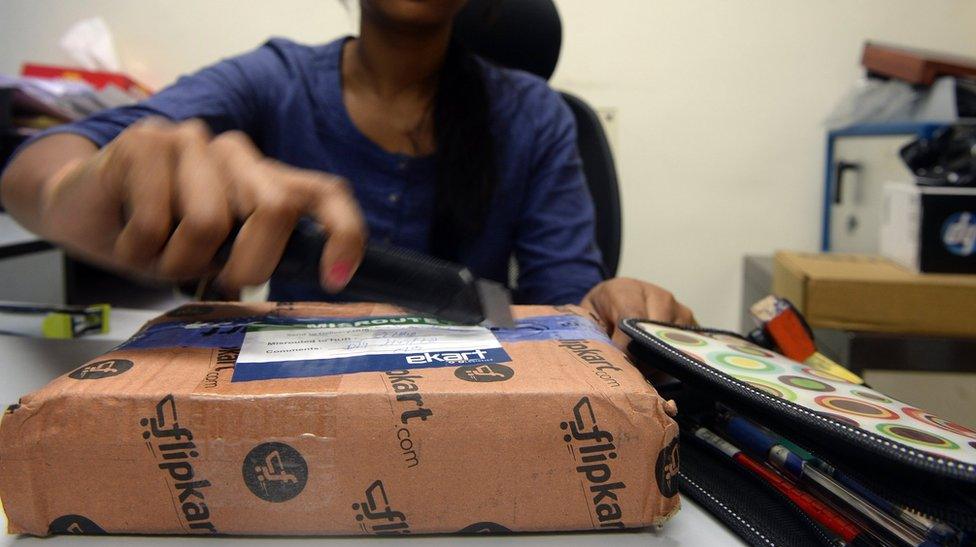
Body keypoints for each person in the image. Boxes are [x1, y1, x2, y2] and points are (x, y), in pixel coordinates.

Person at [0, 0, 694, 346]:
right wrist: (73, 190)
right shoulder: (273, 82)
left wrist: (606, 307)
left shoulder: (535, 116)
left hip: (481, 410)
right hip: (300, 413)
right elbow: (40, 165)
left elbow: (564, 310)